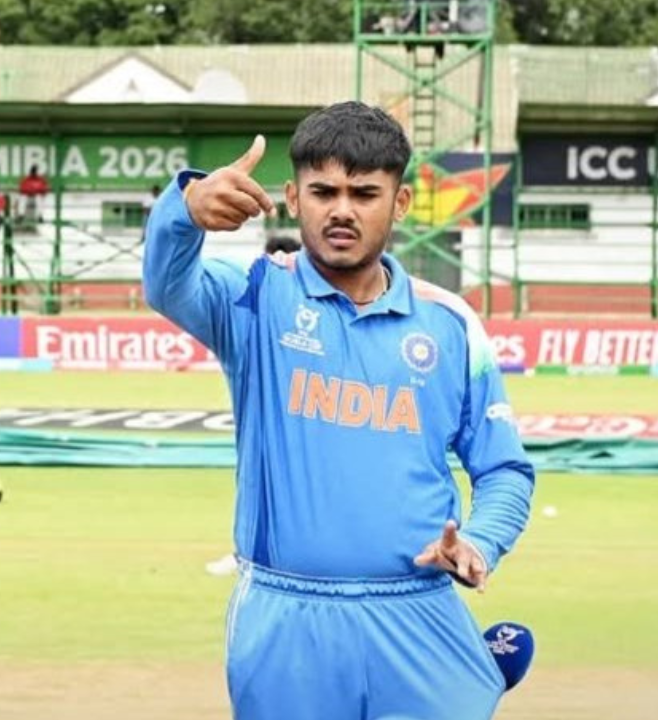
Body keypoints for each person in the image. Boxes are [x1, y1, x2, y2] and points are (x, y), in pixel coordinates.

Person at [142, 101, 534, 720]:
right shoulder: (254, 296)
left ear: (400, 203)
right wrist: (184, 213)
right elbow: (167, 286)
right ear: (293, 199)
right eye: (323, 192)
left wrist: (480, 542)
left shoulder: (452, 323)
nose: (342, 210)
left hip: (419, 612)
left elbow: (504, 469)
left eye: (365, 193)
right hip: (287, 619)